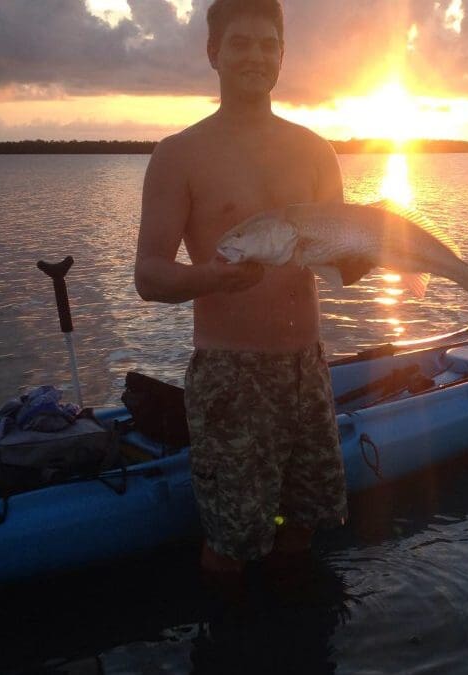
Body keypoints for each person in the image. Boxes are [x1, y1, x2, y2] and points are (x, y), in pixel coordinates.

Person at [134, 0, 347, 580]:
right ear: (213, 53)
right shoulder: (179, 154)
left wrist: (375, 259)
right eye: (240, 43)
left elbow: (338, 265)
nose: (255, 54)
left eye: (266, 43)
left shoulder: (316, 151)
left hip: (308, 368)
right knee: (232, 543)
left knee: (303, 523)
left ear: (282, 55)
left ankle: (296, 637)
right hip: (231, 374)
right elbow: (149, 274)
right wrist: (212, 279)